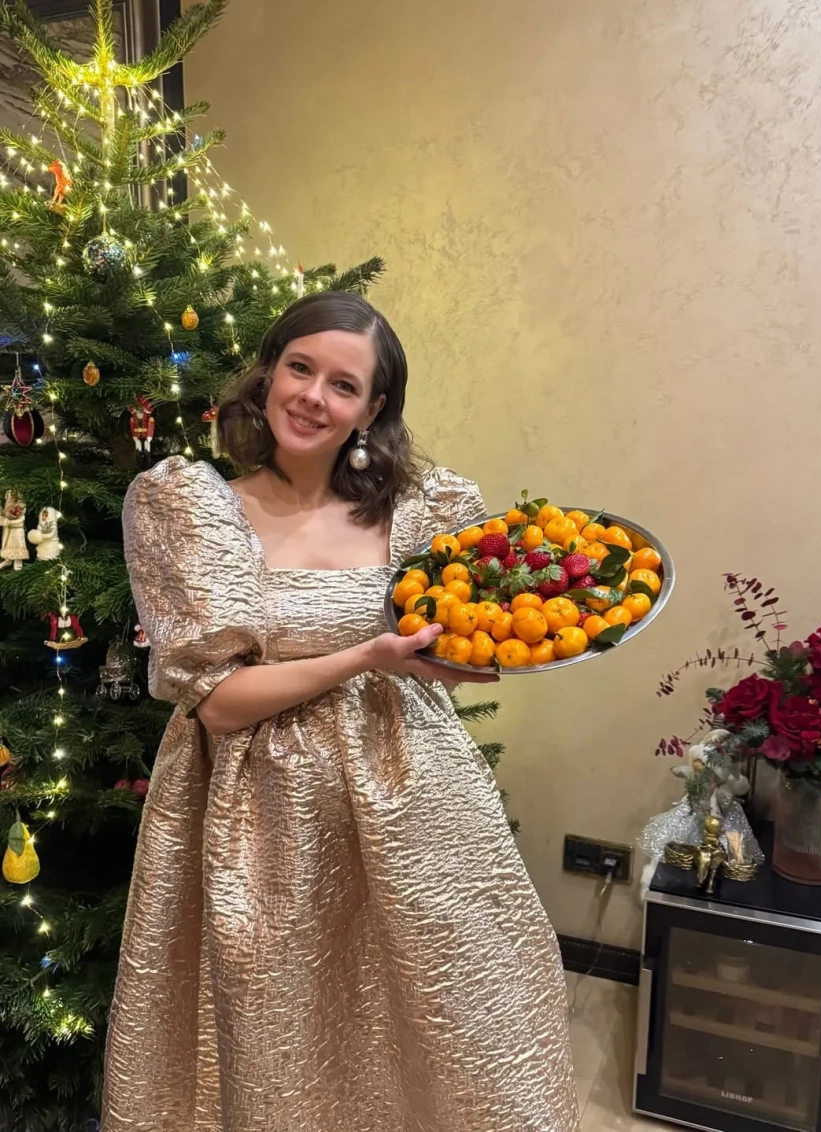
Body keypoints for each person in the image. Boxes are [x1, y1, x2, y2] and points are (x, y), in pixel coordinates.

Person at [101, 293, 578, 1132]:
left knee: (444, 1021)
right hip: (258, 825)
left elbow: (450, 666)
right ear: (268, 373)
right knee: (282, 1032)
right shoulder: (193, 509)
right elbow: (218, 705)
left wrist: (480, 650)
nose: (313, 397)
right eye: (300, 368)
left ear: (372, 408)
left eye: (344, 384)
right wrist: (365, 656)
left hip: (414, 810)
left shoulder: (425, 514)